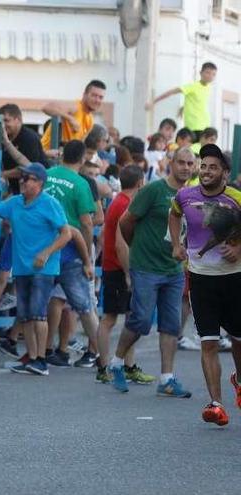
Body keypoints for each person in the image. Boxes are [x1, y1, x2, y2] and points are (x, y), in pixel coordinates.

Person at [109, 147, 196, 396]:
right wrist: (136, 246)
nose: (186, 167)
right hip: (146, 267)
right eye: (181, 162)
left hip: (173, 269)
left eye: (191, 163)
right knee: (141, 320)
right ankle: (116, 363)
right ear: (171, 162)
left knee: (171, 325)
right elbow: (126, 221)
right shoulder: (153, 190)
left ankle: (167, 379)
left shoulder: (192, 195)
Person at [168, 143, 241, 425]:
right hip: (200, 279)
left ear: (224, 172)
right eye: (204, 165)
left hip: (234, 279)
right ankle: (216, 404)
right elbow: (173, 215)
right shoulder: (184, 196)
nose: (206, 171)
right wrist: (176, 245)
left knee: (237, 341)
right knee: (208, 342)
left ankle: (238, 379)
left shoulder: (236, 196)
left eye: (213, 167)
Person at [0, 163, 72, 376]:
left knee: (38, 314)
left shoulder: (50, 203)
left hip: (43, 268)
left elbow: (66, 234)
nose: (22, 181)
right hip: (22, 268)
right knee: (26, 315)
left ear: (39, 183)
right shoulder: (15, 203)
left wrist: (46, 253)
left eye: (28, 178)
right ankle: (32, 357)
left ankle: (41, 360)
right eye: (22, 177)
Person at [41, 140, 99, 368]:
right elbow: (86, 223)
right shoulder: (81, 184)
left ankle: (42, 352)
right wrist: (86, 256)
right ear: (83, 158)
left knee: (44, 302)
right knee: (84, 306)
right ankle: (101, 353)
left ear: (63, 154)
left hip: (44, 247)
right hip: (70, 251)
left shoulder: (46, 175)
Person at [94, 165, 154, 384]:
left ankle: (128, 367)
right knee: (110, 318)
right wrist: (129, 274)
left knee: (131, 318)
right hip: (119, 268)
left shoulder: (118, 201)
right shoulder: (125, 205)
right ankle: (104, 366)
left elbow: (103, 236)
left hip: (116, 266)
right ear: (140, 183)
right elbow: (121, 245)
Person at [147, 62, 217, 136]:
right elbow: (172, 92)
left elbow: (197, 101)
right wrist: (153, 102)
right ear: (201, 73)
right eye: (208, 73)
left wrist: (183, 108)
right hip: (193, 126)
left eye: (213, 74)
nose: (210, 76)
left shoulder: (208, 87)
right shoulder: (192, 86)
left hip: (205, 125)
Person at [41, 80, 106, 150]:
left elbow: (80, 145)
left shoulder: (90, 120)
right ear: (84, 95)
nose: (97, 100)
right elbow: (46, 108)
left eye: (100, 97)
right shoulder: (75, 106)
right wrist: (70, 118)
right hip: (45, 156)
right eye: (94, 95)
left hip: (64, 157)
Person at [0, 103, 46, 195]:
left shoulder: (29, 138)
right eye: (1, 122)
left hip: (35, 192)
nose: (3, 125)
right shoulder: (3, 137)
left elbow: (29, 168)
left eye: (7, 121)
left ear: (18, 120)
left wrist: (1, 174)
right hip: (13, 189)